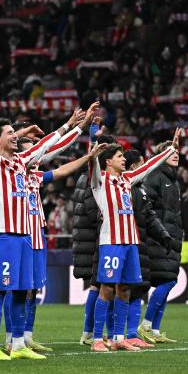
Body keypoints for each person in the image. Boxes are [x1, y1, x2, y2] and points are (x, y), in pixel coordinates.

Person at [0, 103, 82, 361]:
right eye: (10, 133)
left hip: (26, 236)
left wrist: (70, 124)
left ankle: (17, 344)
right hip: (3, 236)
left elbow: (47, 144)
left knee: (21, 290)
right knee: (0, 290)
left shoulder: (23, 161)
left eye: (16, 132)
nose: (15, 136)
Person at [3, 107, 100, 353]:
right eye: (30, 146)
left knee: (33, 287)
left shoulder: (34, 176)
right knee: (14, 287)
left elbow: (62, 166)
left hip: (38, 237)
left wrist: (84, 146)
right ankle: (9, 336)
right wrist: (73, 125)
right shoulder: (6, 171)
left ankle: (26, 336)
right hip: (16, 234)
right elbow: (52, 148)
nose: (37, 151)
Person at [88, 129, 179, 352]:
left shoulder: (127, 179)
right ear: (108, 161)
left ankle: (119, 337)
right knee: (107, 288)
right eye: (120, 156)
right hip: (111, 242)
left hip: (130, 242)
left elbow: (149, 165)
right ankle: (98, 339)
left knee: (125, 288)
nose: (124, 159)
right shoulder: (100, 180)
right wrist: (92, 140)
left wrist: (169, 149)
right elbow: (91, 163)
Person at [72, 117, 117, 345]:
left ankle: (91, 332)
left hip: (89, 237)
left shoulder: (87, 176)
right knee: (98, 284)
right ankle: (89, 332)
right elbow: (94, 210)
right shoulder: (96, 179)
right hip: (97, 237)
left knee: (98, 284)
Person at [122, 149, 172, 349]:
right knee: (116, 289)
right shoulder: (121, 186)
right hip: (121, 242)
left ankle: (132, 334)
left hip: (139, 243)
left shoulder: (140, 189)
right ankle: (108, 335)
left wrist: (163, 235)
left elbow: (149, 216)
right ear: (135, 166)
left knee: (138, 287)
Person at [138, 139, 184, 344]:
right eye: (170, 152)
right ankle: (146, 325)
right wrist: (158, 232)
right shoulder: (154, 177)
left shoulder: (173, 180)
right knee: (167, 280)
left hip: (172, 237)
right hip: (159, 237)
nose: (175, 154)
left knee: (169, 280)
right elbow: (147, 208)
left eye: (176, 152)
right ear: (160, 156)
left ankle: (155, 330)